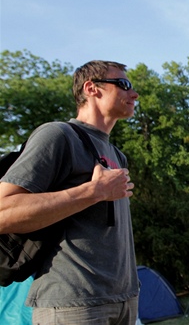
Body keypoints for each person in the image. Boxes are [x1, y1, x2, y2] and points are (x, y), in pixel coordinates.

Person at [0, 60, 140, 324]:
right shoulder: (58, 135)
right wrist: (93, 191)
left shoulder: (117, 156)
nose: (134, 94)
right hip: (73, 305)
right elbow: (3, 212)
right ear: (92, 88)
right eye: (124, 84)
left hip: (124, 302)